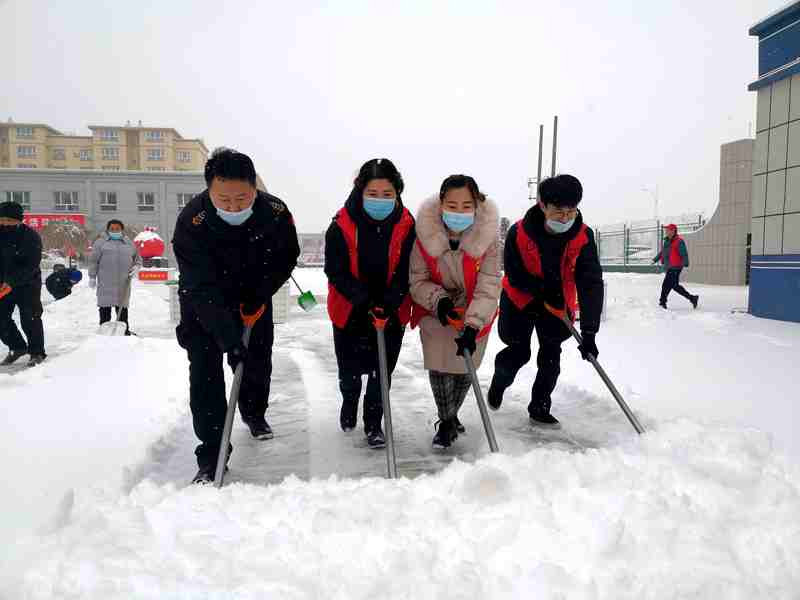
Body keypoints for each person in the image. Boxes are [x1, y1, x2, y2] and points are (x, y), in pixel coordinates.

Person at [173, 148, 299, 484]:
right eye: (223, 199)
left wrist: (260, 294)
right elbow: (197, 286)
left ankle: (254, 413)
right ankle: (212, 454)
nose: (233, 206)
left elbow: (287, 256)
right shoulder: (192, 221)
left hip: (254, 299)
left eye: (242, 198)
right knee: (205, 376)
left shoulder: (274, 211)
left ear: (254, 188)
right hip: (204, 307)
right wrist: (228, 337)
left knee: (256, 365)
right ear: (209, 191)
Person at [488, 174, 604, 428]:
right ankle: (500, 381)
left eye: (571, 211)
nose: (565, 218)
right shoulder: (519, 232)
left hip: (558, 304)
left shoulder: (583, 236)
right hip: (521, 299)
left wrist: (590, 332)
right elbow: (514, 273)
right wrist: (542, 290)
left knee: (551, 355)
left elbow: (590, 281)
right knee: (518, 352)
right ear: (542, 205)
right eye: (558, 211)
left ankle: (540, 407)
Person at [325, 158, 416, 448]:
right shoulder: (341, 224)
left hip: (392, 308)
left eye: (388, 194)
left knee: (381, 372)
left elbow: (408, 269)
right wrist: (363, 298)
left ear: (398, 193)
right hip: (350, 308)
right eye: (373, 194)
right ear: (360, 191)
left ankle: (374, 423)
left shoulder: (407, 223)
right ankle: (349, 400)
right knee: (349, 371)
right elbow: (335, 270)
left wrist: (389, 301)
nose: (380, 200)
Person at [409, 175, 500, 448]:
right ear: (441, 204)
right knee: (440, 366)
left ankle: (453, 412)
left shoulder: (489, 241)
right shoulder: (424, 236)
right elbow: (417, 280)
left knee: (464, 368)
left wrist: (473, 324)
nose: (458, 212)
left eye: (466, 206)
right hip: (436, 309)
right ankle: (446, 421)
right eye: (452, 205)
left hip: (476, 311)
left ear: (476, 206)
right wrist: (440, 302)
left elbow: (489, 285)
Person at [0, 201, 46, 367]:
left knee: (30, 317)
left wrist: (11, 282)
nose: (6, 223)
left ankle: (37, 352)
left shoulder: (30, 236)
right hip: (2, 285)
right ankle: (17, 347)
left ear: (19, 220)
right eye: (2, 219)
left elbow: (31, 265)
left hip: (28, 283)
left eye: (10, 220)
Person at [88, 220, 141, 335]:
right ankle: (104, 332)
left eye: (117, 229)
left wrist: (136, 267)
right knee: (104, 307)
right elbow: (93, 261)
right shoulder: (100, 243)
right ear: (107, 229)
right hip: (105, 282)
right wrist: (92, 277)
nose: (115, 231)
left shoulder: (128, 243)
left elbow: (137, 259)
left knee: (122, 308)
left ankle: (124, 331)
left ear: (122, 229)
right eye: (112, 229)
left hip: (123, 282)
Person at [652, 224, 699, 309]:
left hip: (676, 267)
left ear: (673, 231)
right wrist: (655, 259)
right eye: (666, 230)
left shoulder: (679, 241)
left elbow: (684, 253)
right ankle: (692, 298)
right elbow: (662, 252)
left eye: (668, 230)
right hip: (669, 266)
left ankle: (662, 302)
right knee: (674, 286)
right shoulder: (667, 241)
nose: (666, 232)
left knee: (666, 284)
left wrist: (686, 262)